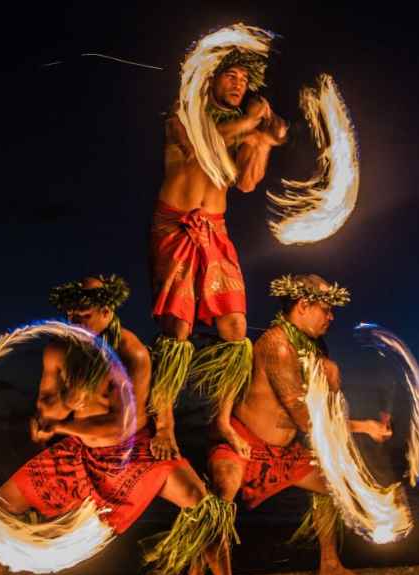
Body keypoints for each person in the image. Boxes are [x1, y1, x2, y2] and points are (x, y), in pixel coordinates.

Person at [0, 275, 248, 575]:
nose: (76, 322)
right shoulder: (60, 349)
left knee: (203, 506)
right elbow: (46, 403)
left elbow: (120, 426)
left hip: (134, 453)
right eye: (71, 315)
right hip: (81, 450)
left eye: (84, 315)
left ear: (106, 311)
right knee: (3, 503)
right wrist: (57, 409)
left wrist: (61, 423)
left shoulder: (132, 353)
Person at [179, 274, 394, 575]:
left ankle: (330, 564)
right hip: (243, 443)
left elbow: (324, 405)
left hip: (282, 452)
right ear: (303, 306)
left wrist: (333, 379)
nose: (332, 316)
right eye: (326, 308)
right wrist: (363, 426)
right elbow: (304, 417)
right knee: (219, 501)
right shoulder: (277, 345)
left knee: (330, 484)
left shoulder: (313, 346)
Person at [148, 47, 288, 463]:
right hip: (176, 227)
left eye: (245, 80)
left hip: (217, 231)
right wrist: (252, 122)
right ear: (210, 79)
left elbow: (245, 183)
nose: (239, 84)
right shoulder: (183, 115)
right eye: (231, 76)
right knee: (177, 330)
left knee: (236, 329)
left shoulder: (240, 129)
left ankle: (222, 419)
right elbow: (204, 145)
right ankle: (165, 422)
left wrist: (264, 141)